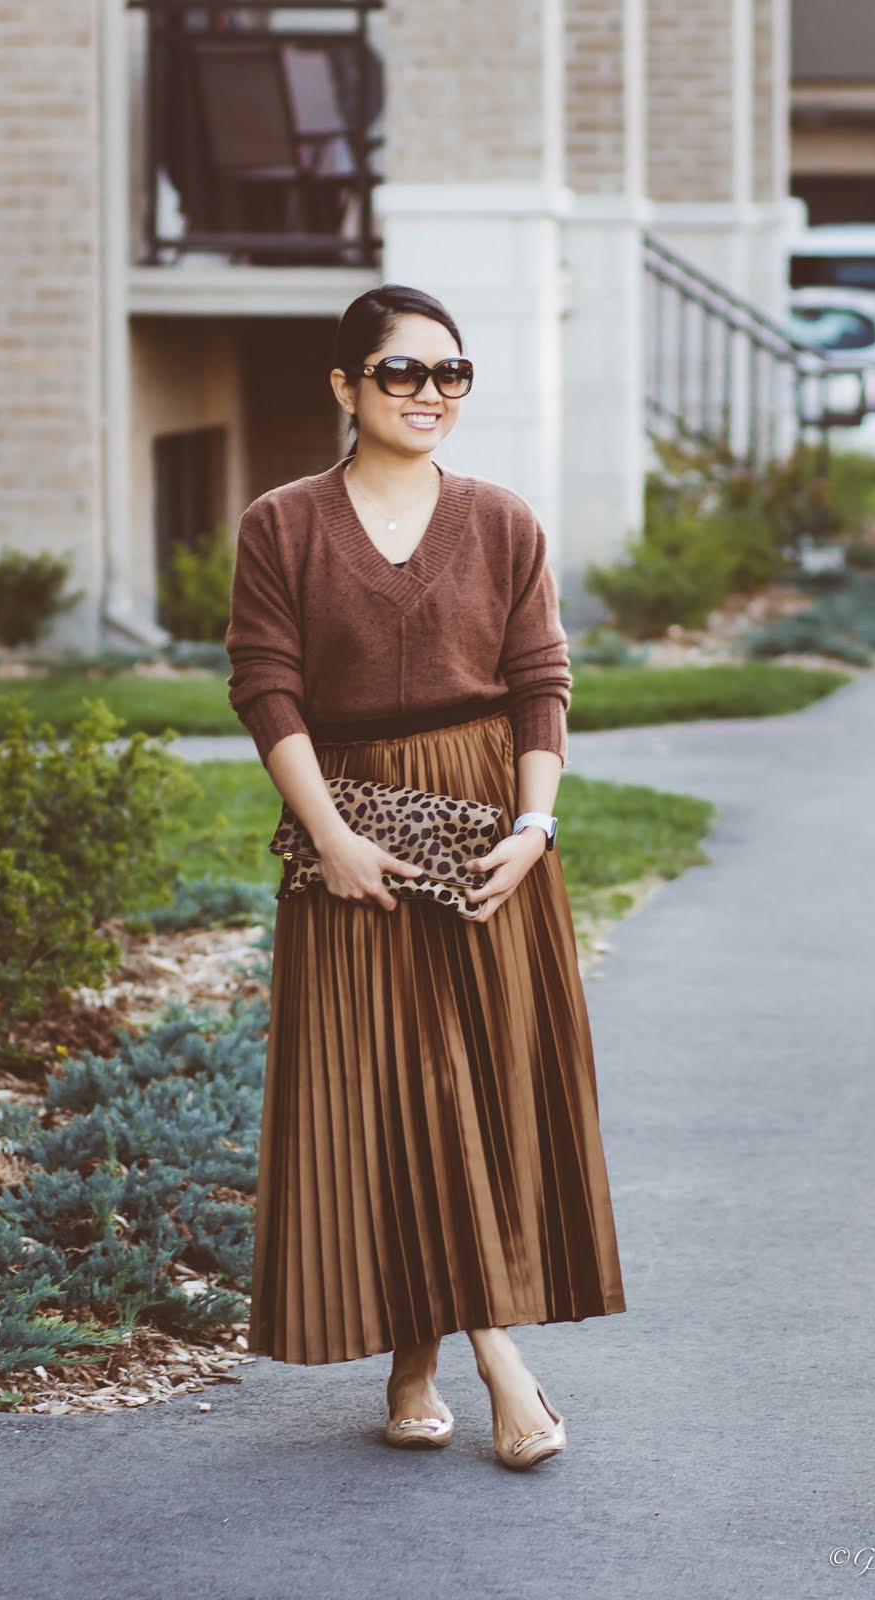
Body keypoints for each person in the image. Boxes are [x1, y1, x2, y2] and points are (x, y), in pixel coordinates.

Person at [225, 283, 625, 1472]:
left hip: (492, 840)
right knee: (385, 1094)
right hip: (349, 831)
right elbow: (266, 687)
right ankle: (498, 1362)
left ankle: (417, 1361)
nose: (429, 395)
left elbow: (541, 682)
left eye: (450, 374)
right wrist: (332, 837)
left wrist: (535, 826)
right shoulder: (283, 524)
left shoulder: (503, 521)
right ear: (346, 387)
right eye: (402, 373)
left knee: (470, 1090)